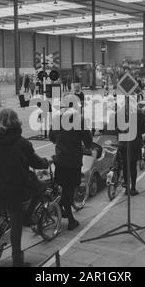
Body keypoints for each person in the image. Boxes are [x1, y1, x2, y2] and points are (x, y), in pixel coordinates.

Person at [0, 109, 50, 267]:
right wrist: (46, 162)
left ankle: (25, 218)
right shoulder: (23, 143)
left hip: (4, 190)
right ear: (16, 122)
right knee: (41, 188)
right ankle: (18, 261)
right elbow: (36, 162)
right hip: (22, 189)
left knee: (15, 217)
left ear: (0, 123)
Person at [49, 98, 93, 231]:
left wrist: (60, 142)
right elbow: (88, 140)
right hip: (73, 160)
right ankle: (70, 219)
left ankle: (62, 206)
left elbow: (51, 137)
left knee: (65, 186)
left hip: (60, 159)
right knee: (70, 187)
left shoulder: (57, 119)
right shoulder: (79, 119)